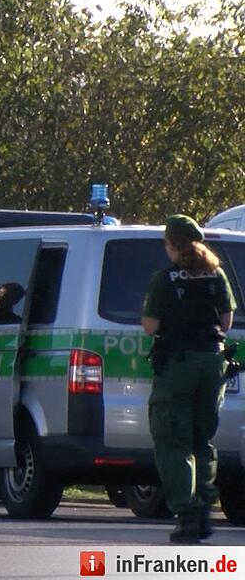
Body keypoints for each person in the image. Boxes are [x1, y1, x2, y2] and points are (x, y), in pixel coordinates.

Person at [142, 214, 236, 543]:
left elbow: (151, 326)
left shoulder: (164, 279)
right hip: (213, 362)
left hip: (178, 364)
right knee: (202, 438)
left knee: (173, 439)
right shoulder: (217, 274)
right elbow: (226, 322)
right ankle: (205, 508)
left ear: (171, 244)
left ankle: (187, 515)